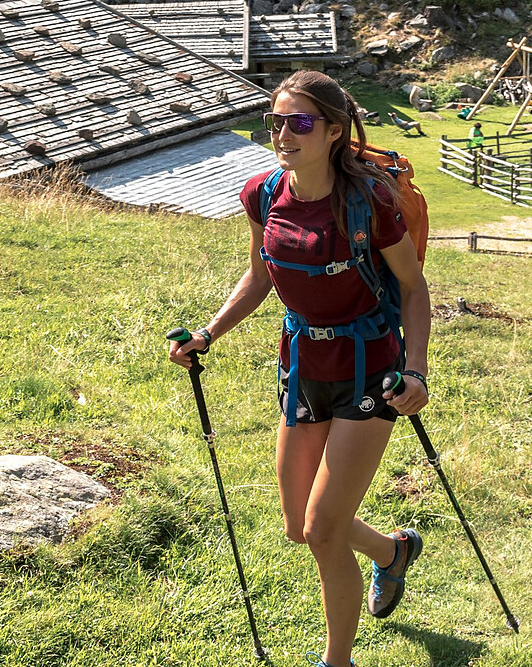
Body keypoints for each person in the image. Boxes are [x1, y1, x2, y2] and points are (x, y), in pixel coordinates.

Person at [169, 71, 432, 667]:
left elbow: (414, 290)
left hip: (370, 369)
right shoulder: (262, 194)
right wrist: (208, 332)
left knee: (321, 532)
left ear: (334, 131)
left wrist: (416, 372)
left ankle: (336, 662)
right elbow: (261, 275)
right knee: (300, 525)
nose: (282, 134)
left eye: (299, 123)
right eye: (276, 121)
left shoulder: (371, 202)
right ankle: (392, 553)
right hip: (303, 365)